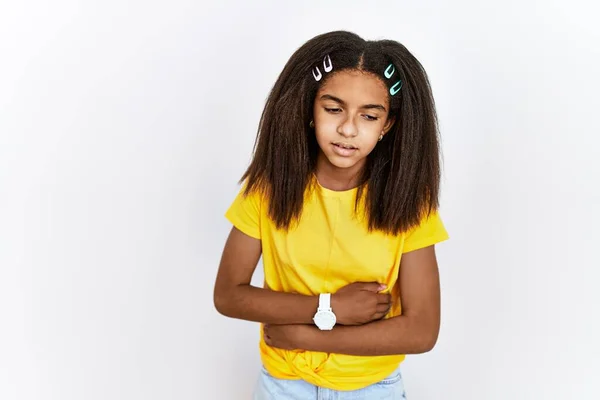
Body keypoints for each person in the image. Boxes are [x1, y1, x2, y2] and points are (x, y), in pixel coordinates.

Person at [213, 30, 449, 399]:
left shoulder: (409, 204)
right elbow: (228, 294)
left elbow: (421, 332)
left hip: (372, 389)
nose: (348, 128)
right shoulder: (268, 190)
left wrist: (306, 333)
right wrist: (328, 307)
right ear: (310, 108)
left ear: (387, 125)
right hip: (283, 387)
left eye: (369, 116)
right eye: (333, 109)